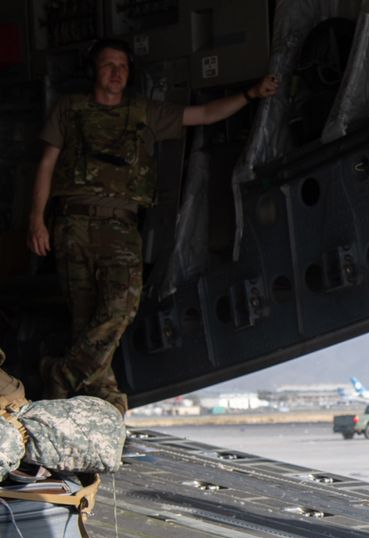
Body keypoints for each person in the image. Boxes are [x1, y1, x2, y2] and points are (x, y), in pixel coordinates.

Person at [27, 37, 279, 414]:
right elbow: (46, 164)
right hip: (73, 224)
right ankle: (103, 403)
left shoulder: (143, 112)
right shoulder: (70, 109)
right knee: (85, 318)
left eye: (123, 67)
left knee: (122, 306)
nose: (116, 73)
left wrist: (249, 94)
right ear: (94, 70)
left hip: (121, 227)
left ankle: (61, 374)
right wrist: (36, 219)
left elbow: (205, 114)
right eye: (109, 65)